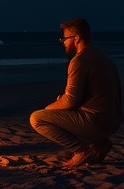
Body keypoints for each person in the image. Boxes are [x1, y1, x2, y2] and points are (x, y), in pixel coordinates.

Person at [30, 19, 122, 168]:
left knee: (37, 118)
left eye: (65, 38)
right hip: (112, 122)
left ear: (76, 38)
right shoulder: (105, 60)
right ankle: (100, 144)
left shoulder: (79, 60)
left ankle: (81, 150)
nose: (63, 43)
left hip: (96, 122)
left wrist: (50, 108)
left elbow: (71, 100)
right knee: (66, 109)